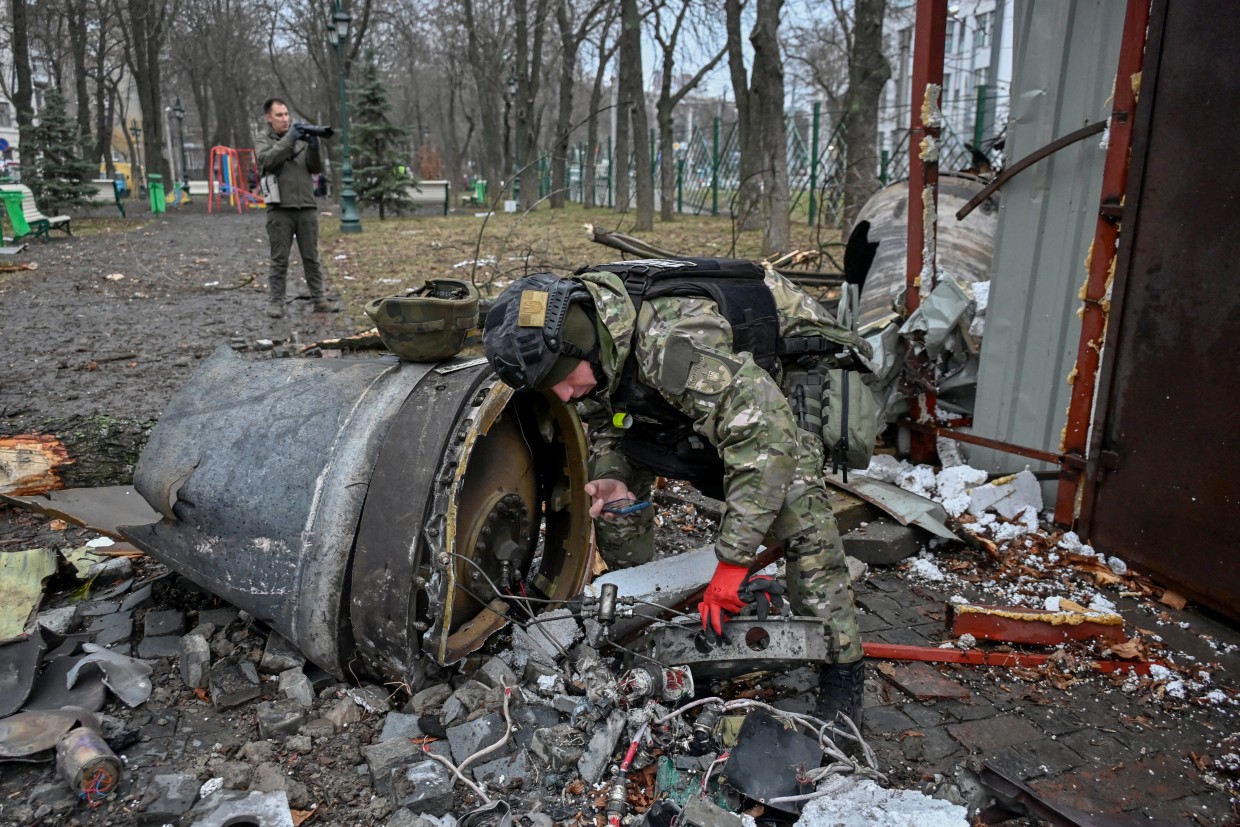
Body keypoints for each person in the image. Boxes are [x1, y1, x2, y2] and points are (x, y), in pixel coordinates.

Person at [482, 257, 872, 728]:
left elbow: (766, 437)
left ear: (581, 349)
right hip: (712, 394)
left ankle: (843, 665)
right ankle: (646, 621)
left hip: (791, 376)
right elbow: (609, 419)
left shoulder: (672, 343)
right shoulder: (597, 348)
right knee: (616, 508)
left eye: (564, 382)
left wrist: (731, 564)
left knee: (798, 511)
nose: (564, 397)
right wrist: (612, 474)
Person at [255, 98, 340, 318]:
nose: (284, 119)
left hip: (306, 206)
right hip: (280, 208)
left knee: (311, 257)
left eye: (286, 114)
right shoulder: (264, 139)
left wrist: (313, 147)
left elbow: (315, 168)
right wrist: (290, 139)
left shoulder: (300, 140)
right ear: (269, 118)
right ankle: (276, 302)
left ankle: (319, 299)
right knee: (279, 258)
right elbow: (268, 162)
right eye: (279, 115)